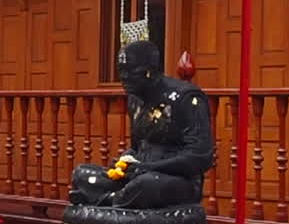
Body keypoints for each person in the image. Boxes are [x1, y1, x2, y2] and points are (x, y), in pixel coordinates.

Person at [69, 40, 214, 209]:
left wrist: (150, 167)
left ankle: (105, 200)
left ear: (150, 71)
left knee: (147, 185)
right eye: (121, 72)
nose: (124, 78)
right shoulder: (135, 100)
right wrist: (124, 162)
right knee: (82, 173)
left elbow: (200, 156)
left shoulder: (185, 98)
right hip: (139, 173)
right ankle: (113, 198)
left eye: (131, 72)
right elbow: (138, 147)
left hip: (174, 179)